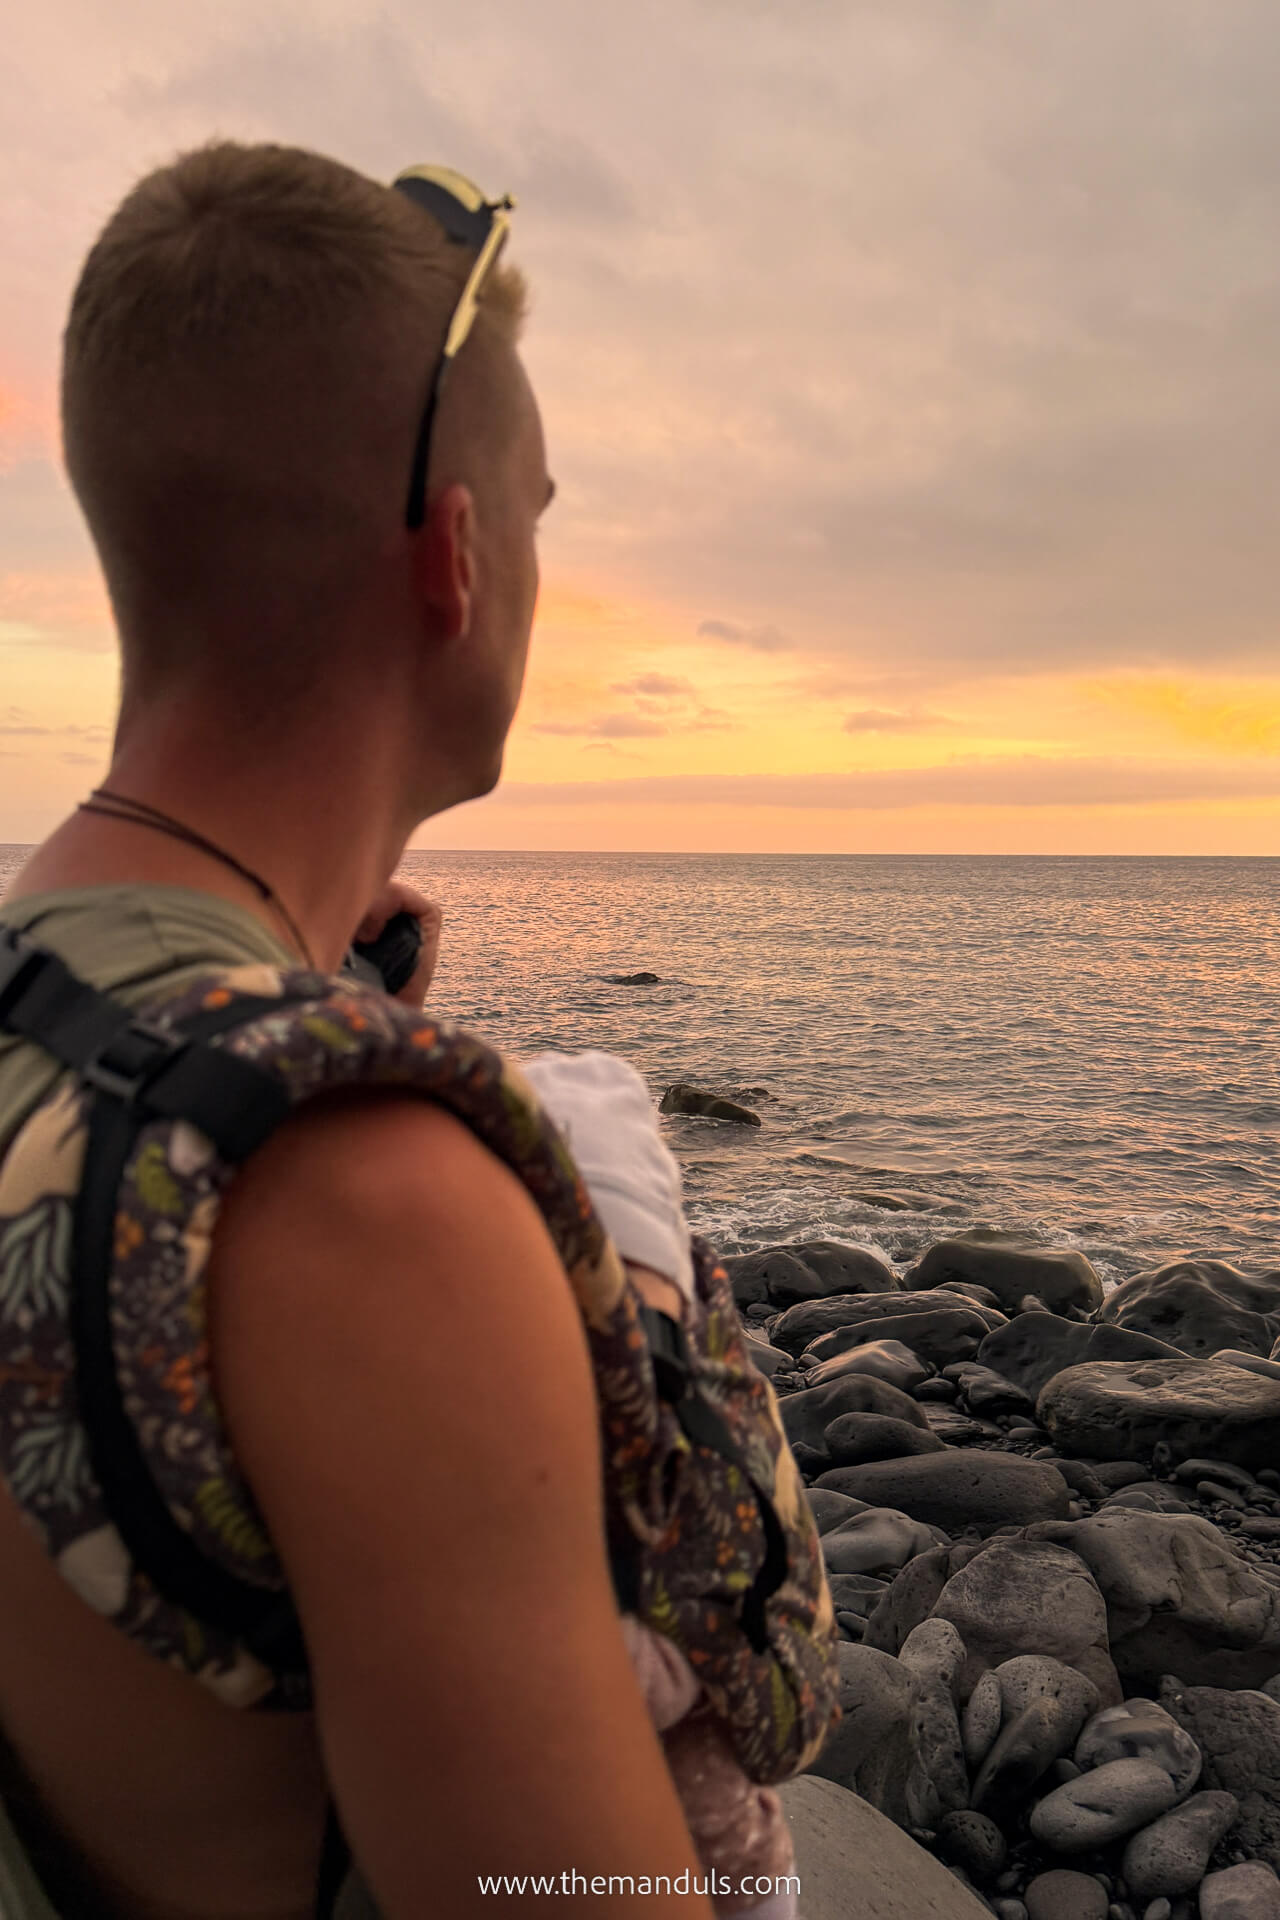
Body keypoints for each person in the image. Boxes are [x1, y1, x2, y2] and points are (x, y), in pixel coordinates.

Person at [0, 141, 832, 1920]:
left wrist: (309, 988)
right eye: (537, 512)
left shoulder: (48, 1001)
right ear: (454, 561)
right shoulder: (360, 1205)